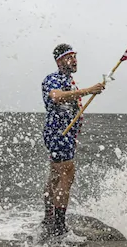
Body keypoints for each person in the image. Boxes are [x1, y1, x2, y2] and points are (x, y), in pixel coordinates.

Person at [40, 43, 105, 239]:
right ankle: (59, 227)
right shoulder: (53, 79)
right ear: (60, 61)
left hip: (65, 135)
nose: (74, 60)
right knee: (67, 173)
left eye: (75, 56)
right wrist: (88, 90)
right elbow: (56, 97)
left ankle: (48, 219)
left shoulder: (69, 80)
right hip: (58, 132)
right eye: (70, 57)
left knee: (55, 174)